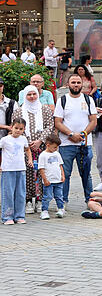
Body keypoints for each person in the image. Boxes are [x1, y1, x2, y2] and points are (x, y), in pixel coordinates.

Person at [54, 74, 97, 208]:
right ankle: (63, 202)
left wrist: (83, 134)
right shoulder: (62, 100)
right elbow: (57, 122)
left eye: (78, 82)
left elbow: (93, 120)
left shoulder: (88, 99)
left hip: (85, 144)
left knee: (86, 174)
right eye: (73, 82)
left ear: (82, 84)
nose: (76, 85)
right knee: (65, 174)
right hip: (66, 144)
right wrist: (71, 134)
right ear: (68, 84)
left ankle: (89, 200)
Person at [13, 85, 53, 214]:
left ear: (38, 95)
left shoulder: (45, 109)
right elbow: (16, 127)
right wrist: (27, 143)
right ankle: (28, 200)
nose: (32, 97)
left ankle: (40, 200)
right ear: (25, 96)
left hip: (42, 147)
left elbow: (49, 126)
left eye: (34, 94)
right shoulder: (19, 111)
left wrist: (40, 141)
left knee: (42, 172)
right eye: (29, 95)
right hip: (25, 148)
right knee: (27, 173)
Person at [0, 118, 30, 224]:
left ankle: (19, 216)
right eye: (16, 128)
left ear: (24, 129)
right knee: (8, 193)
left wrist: (30, 160)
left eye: (21, 129)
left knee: (20, 193)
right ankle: (7, 216)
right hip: (8, 169)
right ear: (11, 127)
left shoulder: (23, 139)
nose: (18, 130)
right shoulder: (5, 140)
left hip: (21, 169)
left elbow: (27, 149)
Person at [37, 135, 65, 220]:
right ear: (48, 145)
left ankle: (61, 209)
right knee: (47, 197)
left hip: (58, 180)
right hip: (49, 181)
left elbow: (60, 165)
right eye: (54, 147)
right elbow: (41, 169)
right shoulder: (43, 155)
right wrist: (45, 179)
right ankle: (44, 211)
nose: (56, 149)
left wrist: (63, 175)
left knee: (59, 196)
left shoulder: (57, 154)